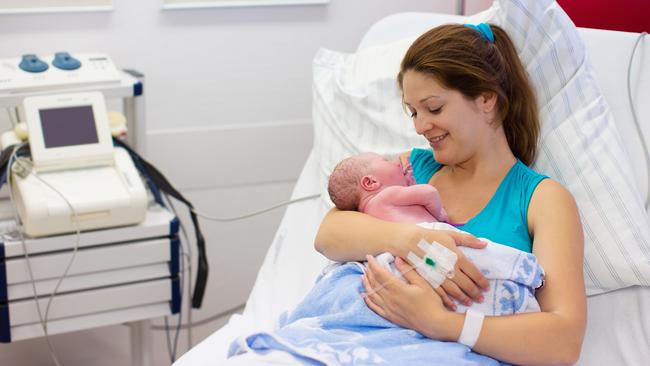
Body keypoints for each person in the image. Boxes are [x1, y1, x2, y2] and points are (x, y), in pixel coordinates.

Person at [314, 23, 586, 365]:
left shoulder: (541, 199)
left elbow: (564, 341)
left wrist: (442, 323)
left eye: (434, 108)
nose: (419, 126)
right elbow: (328, 235)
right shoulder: (410, 170)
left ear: (486, 99)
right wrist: (413, 242)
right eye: (413, 112)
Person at [327, 152, 448, 224]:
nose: (396, 162)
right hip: (431, 238)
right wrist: (439, 215)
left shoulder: (367, 217)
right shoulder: (386, 196)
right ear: (370, 182)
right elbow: (429, 193)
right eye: (386, 160)